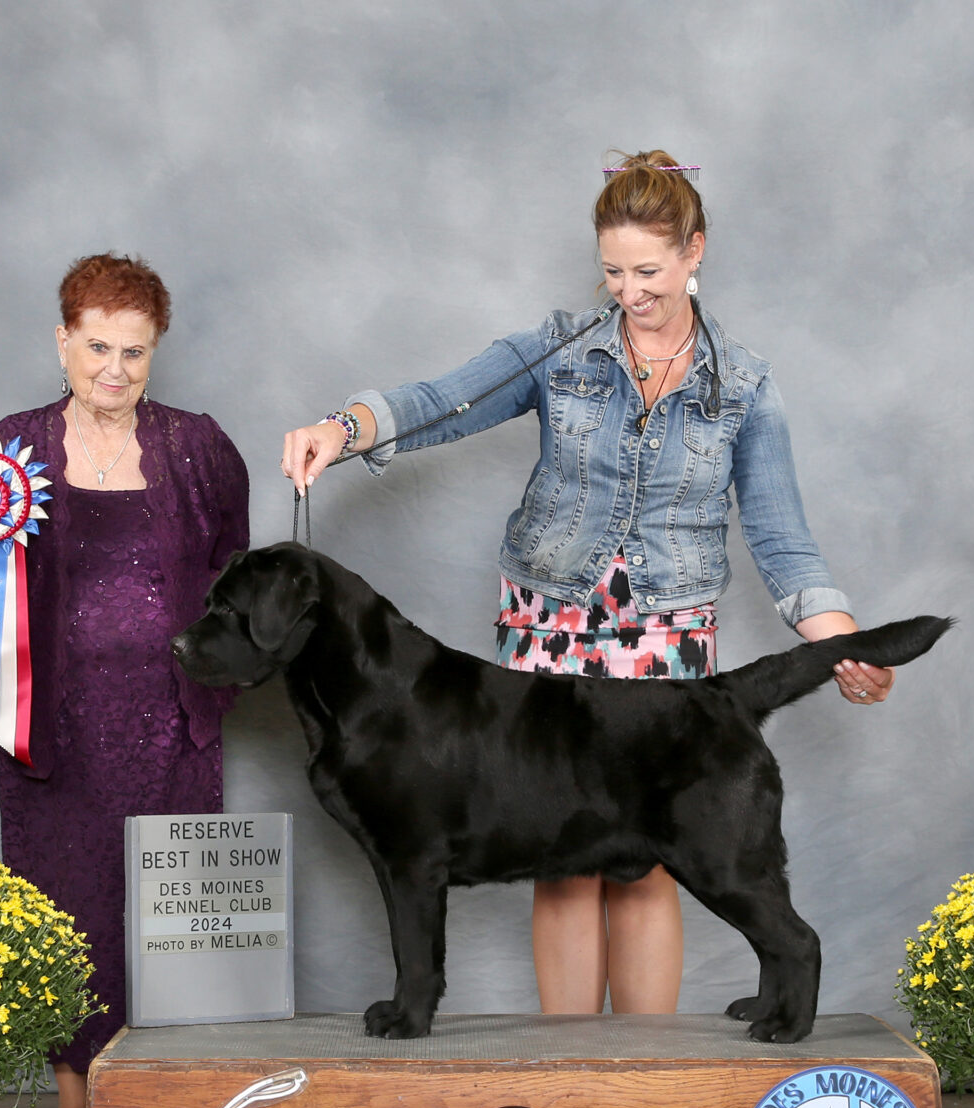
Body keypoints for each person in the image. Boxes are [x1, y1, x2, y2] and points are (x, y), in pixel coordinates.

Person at [281, 150, 894, 1021]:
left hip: (665, 635)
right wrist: (343, 429)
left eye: (647, 270)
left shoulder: (745, 385)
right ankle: (565, 1067)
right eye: (613, 270)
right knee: (559, 868)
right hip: (549, 629)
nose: (628, 291)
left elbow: (782, 537)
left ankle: (647, 1071)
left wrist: (842, 642)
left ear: (695, 252)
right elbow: (442, 400)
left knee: (648, 868)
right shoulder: (558, 349)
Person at [0, 253, 249, 1108]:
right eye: (97, 345)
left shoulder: (197, 447)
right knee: (66, 911)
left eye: (134, 352)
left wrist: (221, 679)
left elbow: (235, 575)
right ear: (61, 340)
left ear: (157, 352)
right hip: (53, 724)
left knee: (173, 908)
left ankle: (174, 1101)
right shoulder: (10, 448)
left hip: (174, 721)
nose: (114, 368)